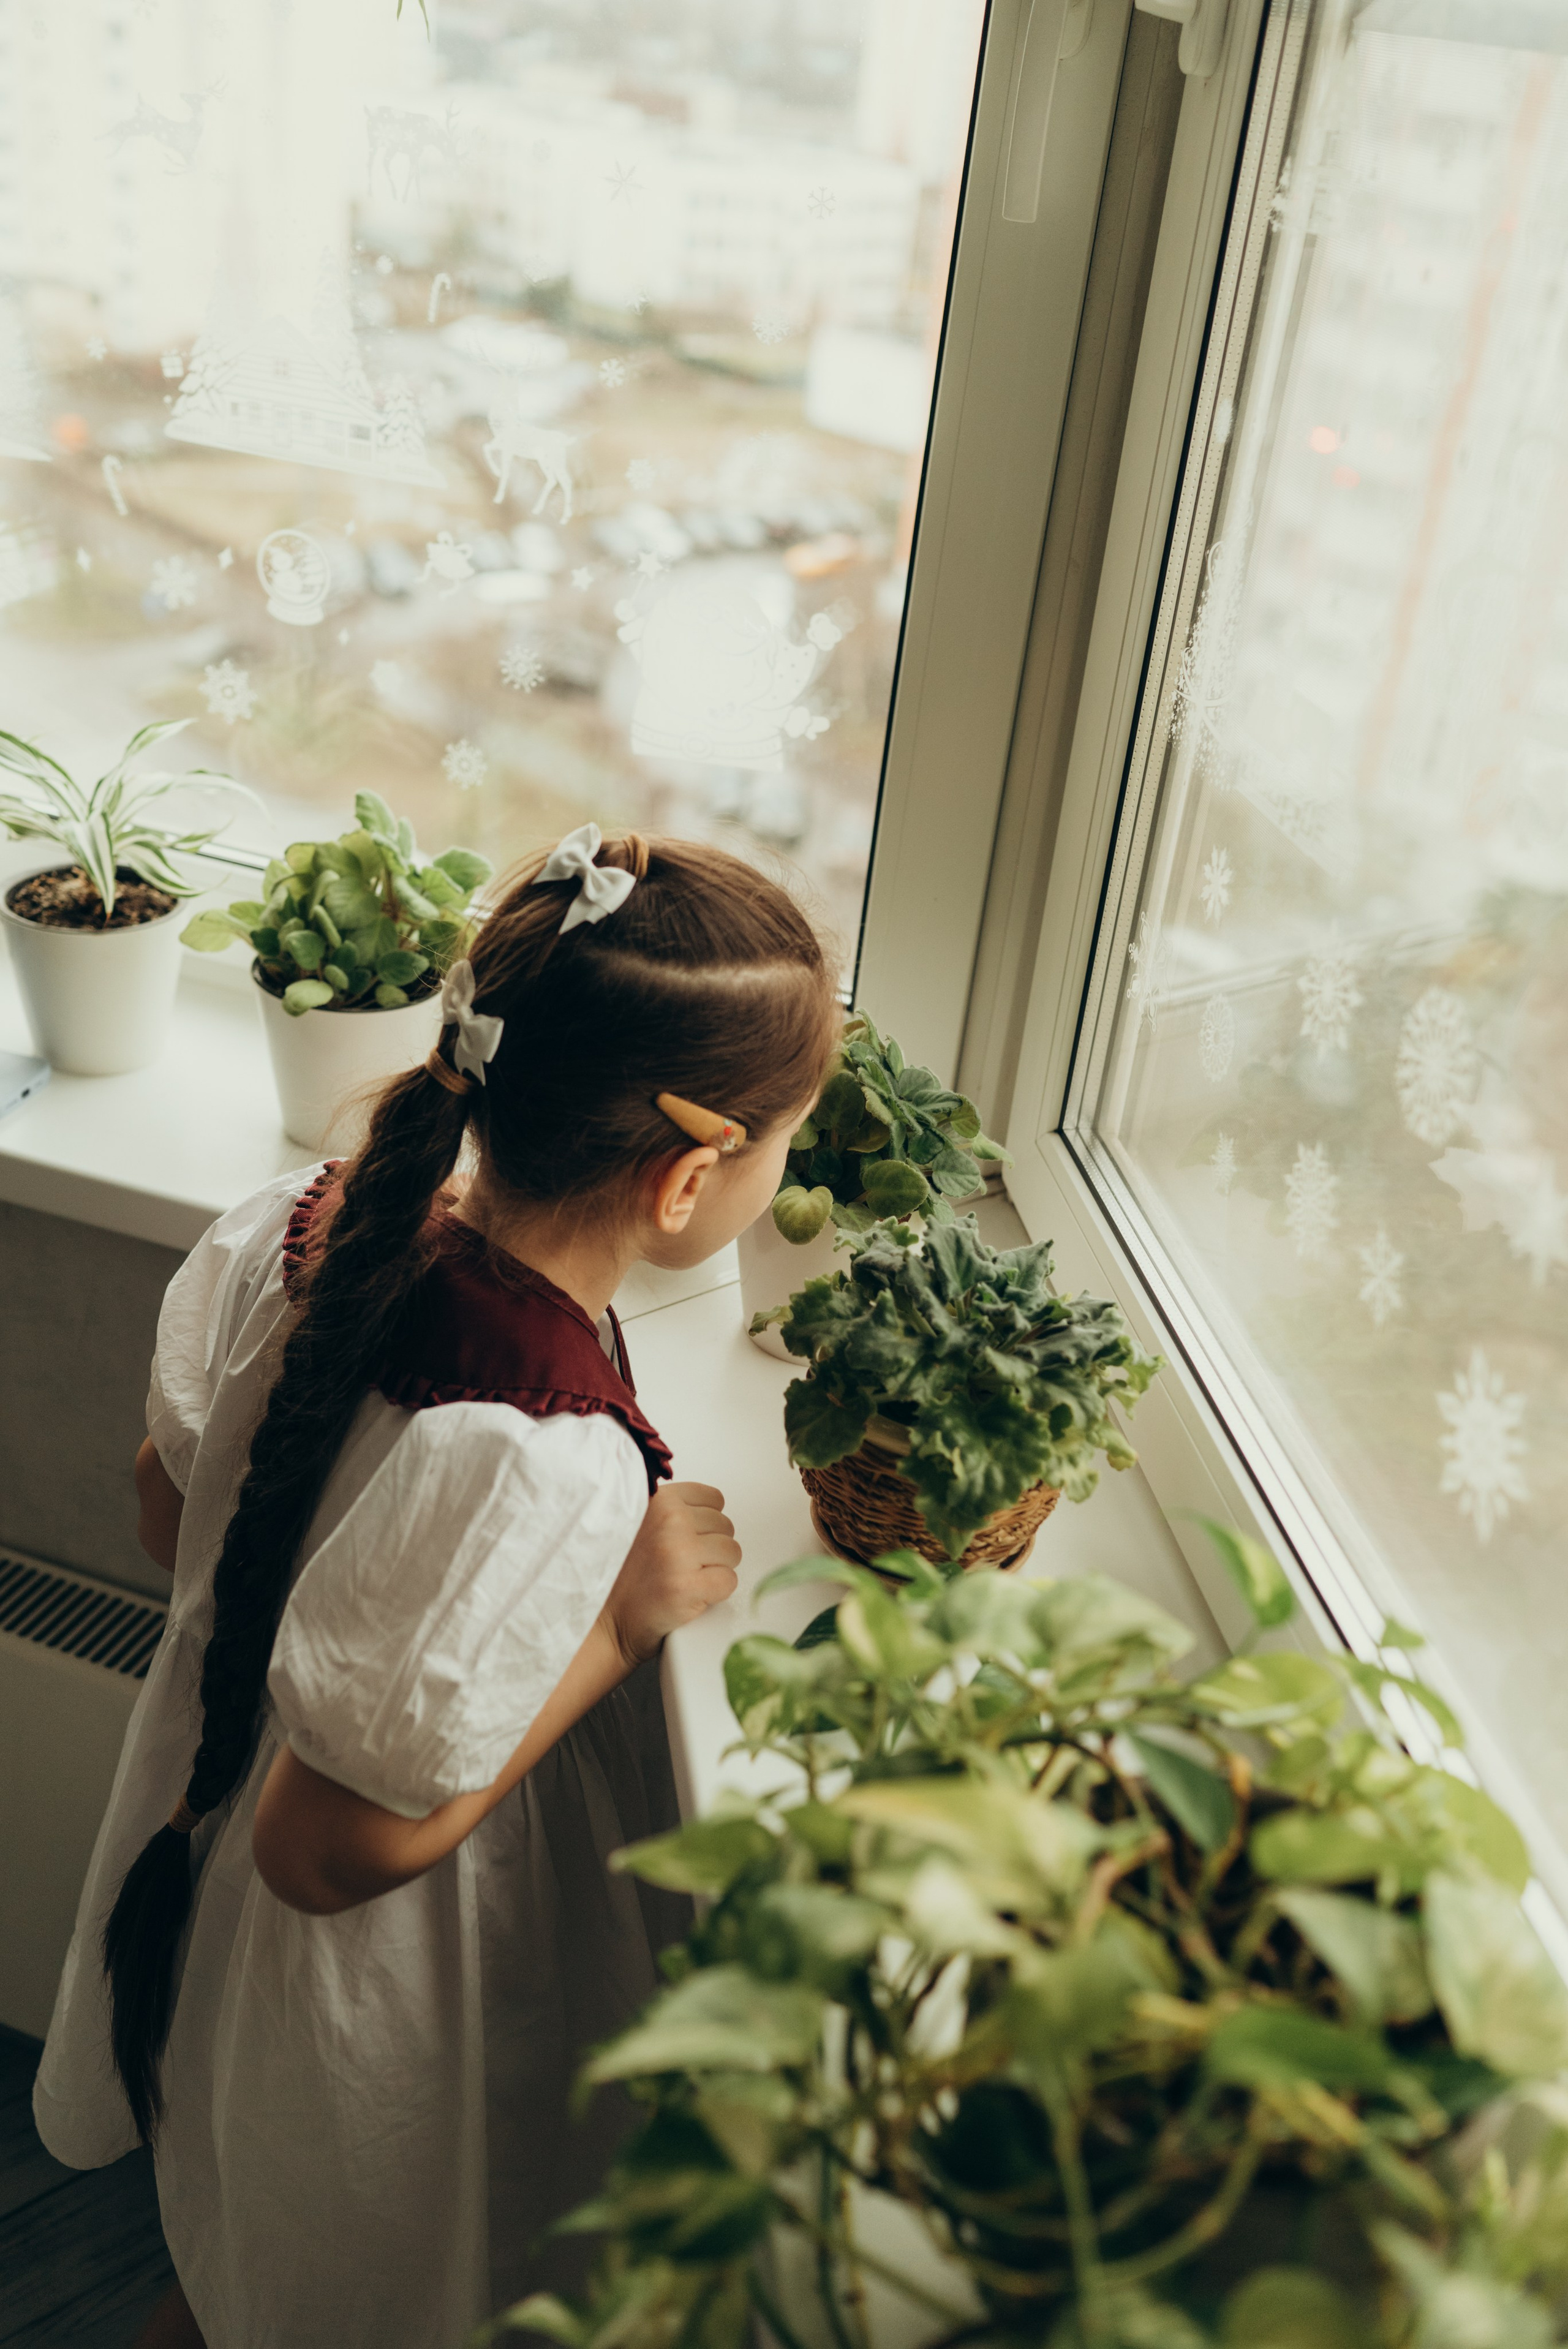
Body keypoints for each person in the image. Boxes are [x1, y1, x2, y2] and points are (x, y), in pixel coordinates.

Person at [32, 827, 839, 2349]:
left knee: (233, 2211)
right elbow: (327, 1850)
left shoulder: (316, 1219)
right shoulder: (539, 1456)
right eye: (789, 1131)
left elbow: (168, 1505)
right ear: (686, 1178)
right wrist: (613, 1618)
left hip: (189, 1841)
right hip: (350, 1966)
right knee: (349, 2251)